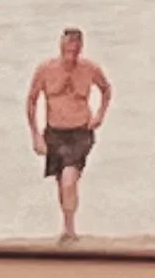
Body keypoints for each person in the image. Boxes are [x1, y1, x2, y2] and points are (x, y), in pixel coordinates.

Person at [25, 27, 112, 242]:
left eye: (76, 50)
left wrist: (100, 114)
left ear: (81, 48)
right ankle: (67, 227)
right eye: (68, 49)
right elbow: (32, 100)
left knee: (69, 179)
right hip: (54, 133)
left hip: (80, 133)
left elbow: (106, 89)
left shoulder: (89, 69)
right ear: (61, 46)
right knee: (62, 182)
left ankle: (70, 229)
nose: (72, 54)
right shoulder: (45, 70)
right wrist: (35, 134)